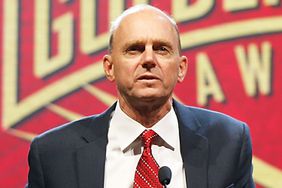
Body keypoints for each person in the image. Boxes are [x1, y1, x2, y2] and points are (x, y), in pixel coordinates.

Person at [27, 4, 254, 188]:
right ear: (109, 67)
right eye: (134, 49)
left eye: (161, 49)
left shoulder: (228, 141)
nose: (148, 59)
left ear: (182, 68)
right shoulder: (53, 154)